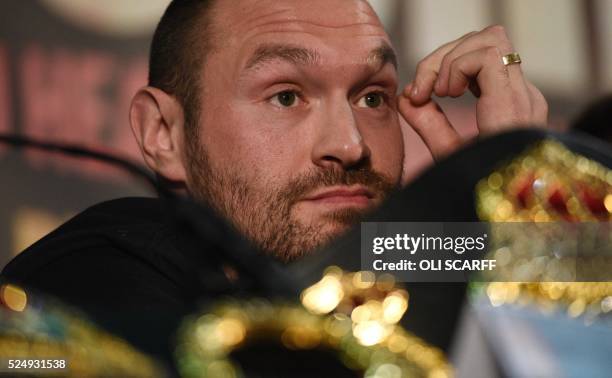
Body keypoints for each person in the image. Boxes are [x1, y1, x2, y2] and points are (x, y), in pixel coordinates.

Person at [1, 0, 548, 370]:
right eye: (286, 96)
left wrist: (517, 207)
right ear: (163, 133)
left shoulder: (400, 271)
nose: (351, 145)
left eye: (373, 97)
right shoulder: (92, 281)